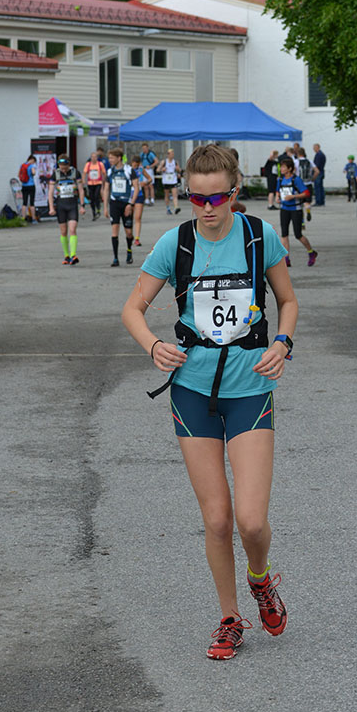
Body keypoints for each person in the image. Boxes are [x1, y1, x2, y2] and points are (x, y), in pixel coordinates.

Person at [121, 143, 298, 660]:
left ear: (234, 192)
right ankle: (229, 618)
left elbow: (287, 300)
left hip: (250, 390)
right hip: (193, 392)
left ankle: (260, 578)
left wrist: (282, 343)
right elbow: (132, 309)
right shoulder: (175, 243)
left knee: (251, 521)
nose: (207, 207)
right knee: (217, 519)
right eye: (196, 198)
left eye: (217, 197)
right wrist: (153, 345)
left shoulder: (258, 236)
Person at [276, 156, 317, 267]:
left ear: (289, 168)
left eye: (283, 167)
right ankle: (286, 258)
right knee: (284, 234)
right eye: (281, 167)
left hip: (296, 209)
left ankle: (311, 252)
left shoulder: (296, 180)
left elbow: (306, 193)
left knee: (298, 234)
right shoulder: (280, 179)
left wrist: (293, 196)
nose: (281, 169)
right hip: (284, 208)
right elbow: (277, 191)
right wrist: (277, 197)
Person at [48, 154, 85, 265]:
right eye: (61, 167)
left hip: (72, 204)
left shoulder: (75, 173)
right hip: (61, 205)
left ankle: (73, 255)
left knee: (72, 230)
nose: (63, 169)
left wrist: (82, 205)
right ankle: (66, 256)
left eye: (65, 167)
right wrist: (51, 207)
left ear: (69, 165)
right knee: (63, 232)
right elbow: (50, 192)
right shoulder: (55, 174)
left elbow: (81, 190)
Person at [103, 147, 134, 266]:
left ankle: (129, 250)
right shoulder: (110, 171)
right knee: (114, 230)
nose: (110, 160)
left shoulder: (128, 170)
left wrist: (130, 204)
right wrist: (105, 207)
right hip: (114, 203)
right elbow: (106, 189)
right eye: (109, 158)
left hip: (126, 203)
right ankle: (115, 258)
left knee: (129, 233)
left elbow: (136, 187)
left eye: (112, 158)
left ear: (119, 158)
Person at [128, 154, 151, 247]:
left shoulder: (141, 169)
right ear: (132, 163)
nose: (136, 166)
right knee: (129, 218)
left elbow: (150, 179)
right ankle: (130, 235)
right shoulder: (128, 170)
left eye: (137, 164)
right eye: (134, 164)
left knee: (137, 217)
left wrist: (145, 182)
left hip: (139, 195)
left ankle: (137, 239)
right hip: (130, 195)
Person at [82, 150, 106, 221]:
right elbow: (84, 173)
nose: (94, 158)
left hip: (98, 183)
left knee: (96, 196)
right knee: (91, 198)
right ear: (91, 158)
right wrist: (83, 181)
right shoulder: (88, 164)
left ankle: (98, 209)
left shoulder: (100, 164)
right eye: (92, 157)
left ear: (97, 158)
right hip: (90, 183)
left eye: (95, 157)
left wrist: (104, 181)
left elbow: (104, 173)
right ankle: (94, 212)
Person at [158, 148, 182, 215]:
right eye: (171, 154)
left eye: (173, 154)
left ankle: (176, 207)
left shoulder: (175, 162)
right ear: (168, 155)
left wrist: (178, 170)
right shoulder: (164, 162)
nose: (172, 155)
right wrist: (162, 169)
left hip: (173, 179)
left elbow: (179, 170)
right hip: (166, 180)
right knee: (167, 195)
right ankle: (168, 208)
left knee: (175, 194)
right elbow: (158, 170)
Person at [18, 154, 38, 223]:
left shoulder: (22, 165)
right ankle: (33, 219)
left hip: (24, 186)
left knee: (24, 202)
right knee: (32, 203)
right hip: (31, 185)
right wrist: (32, 174)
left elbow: (18, 175)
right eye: (34, 161)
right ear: (32, 160)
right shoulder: (31, 166)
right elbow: (34, 172)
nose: (34, 163)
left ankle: (23, 218)